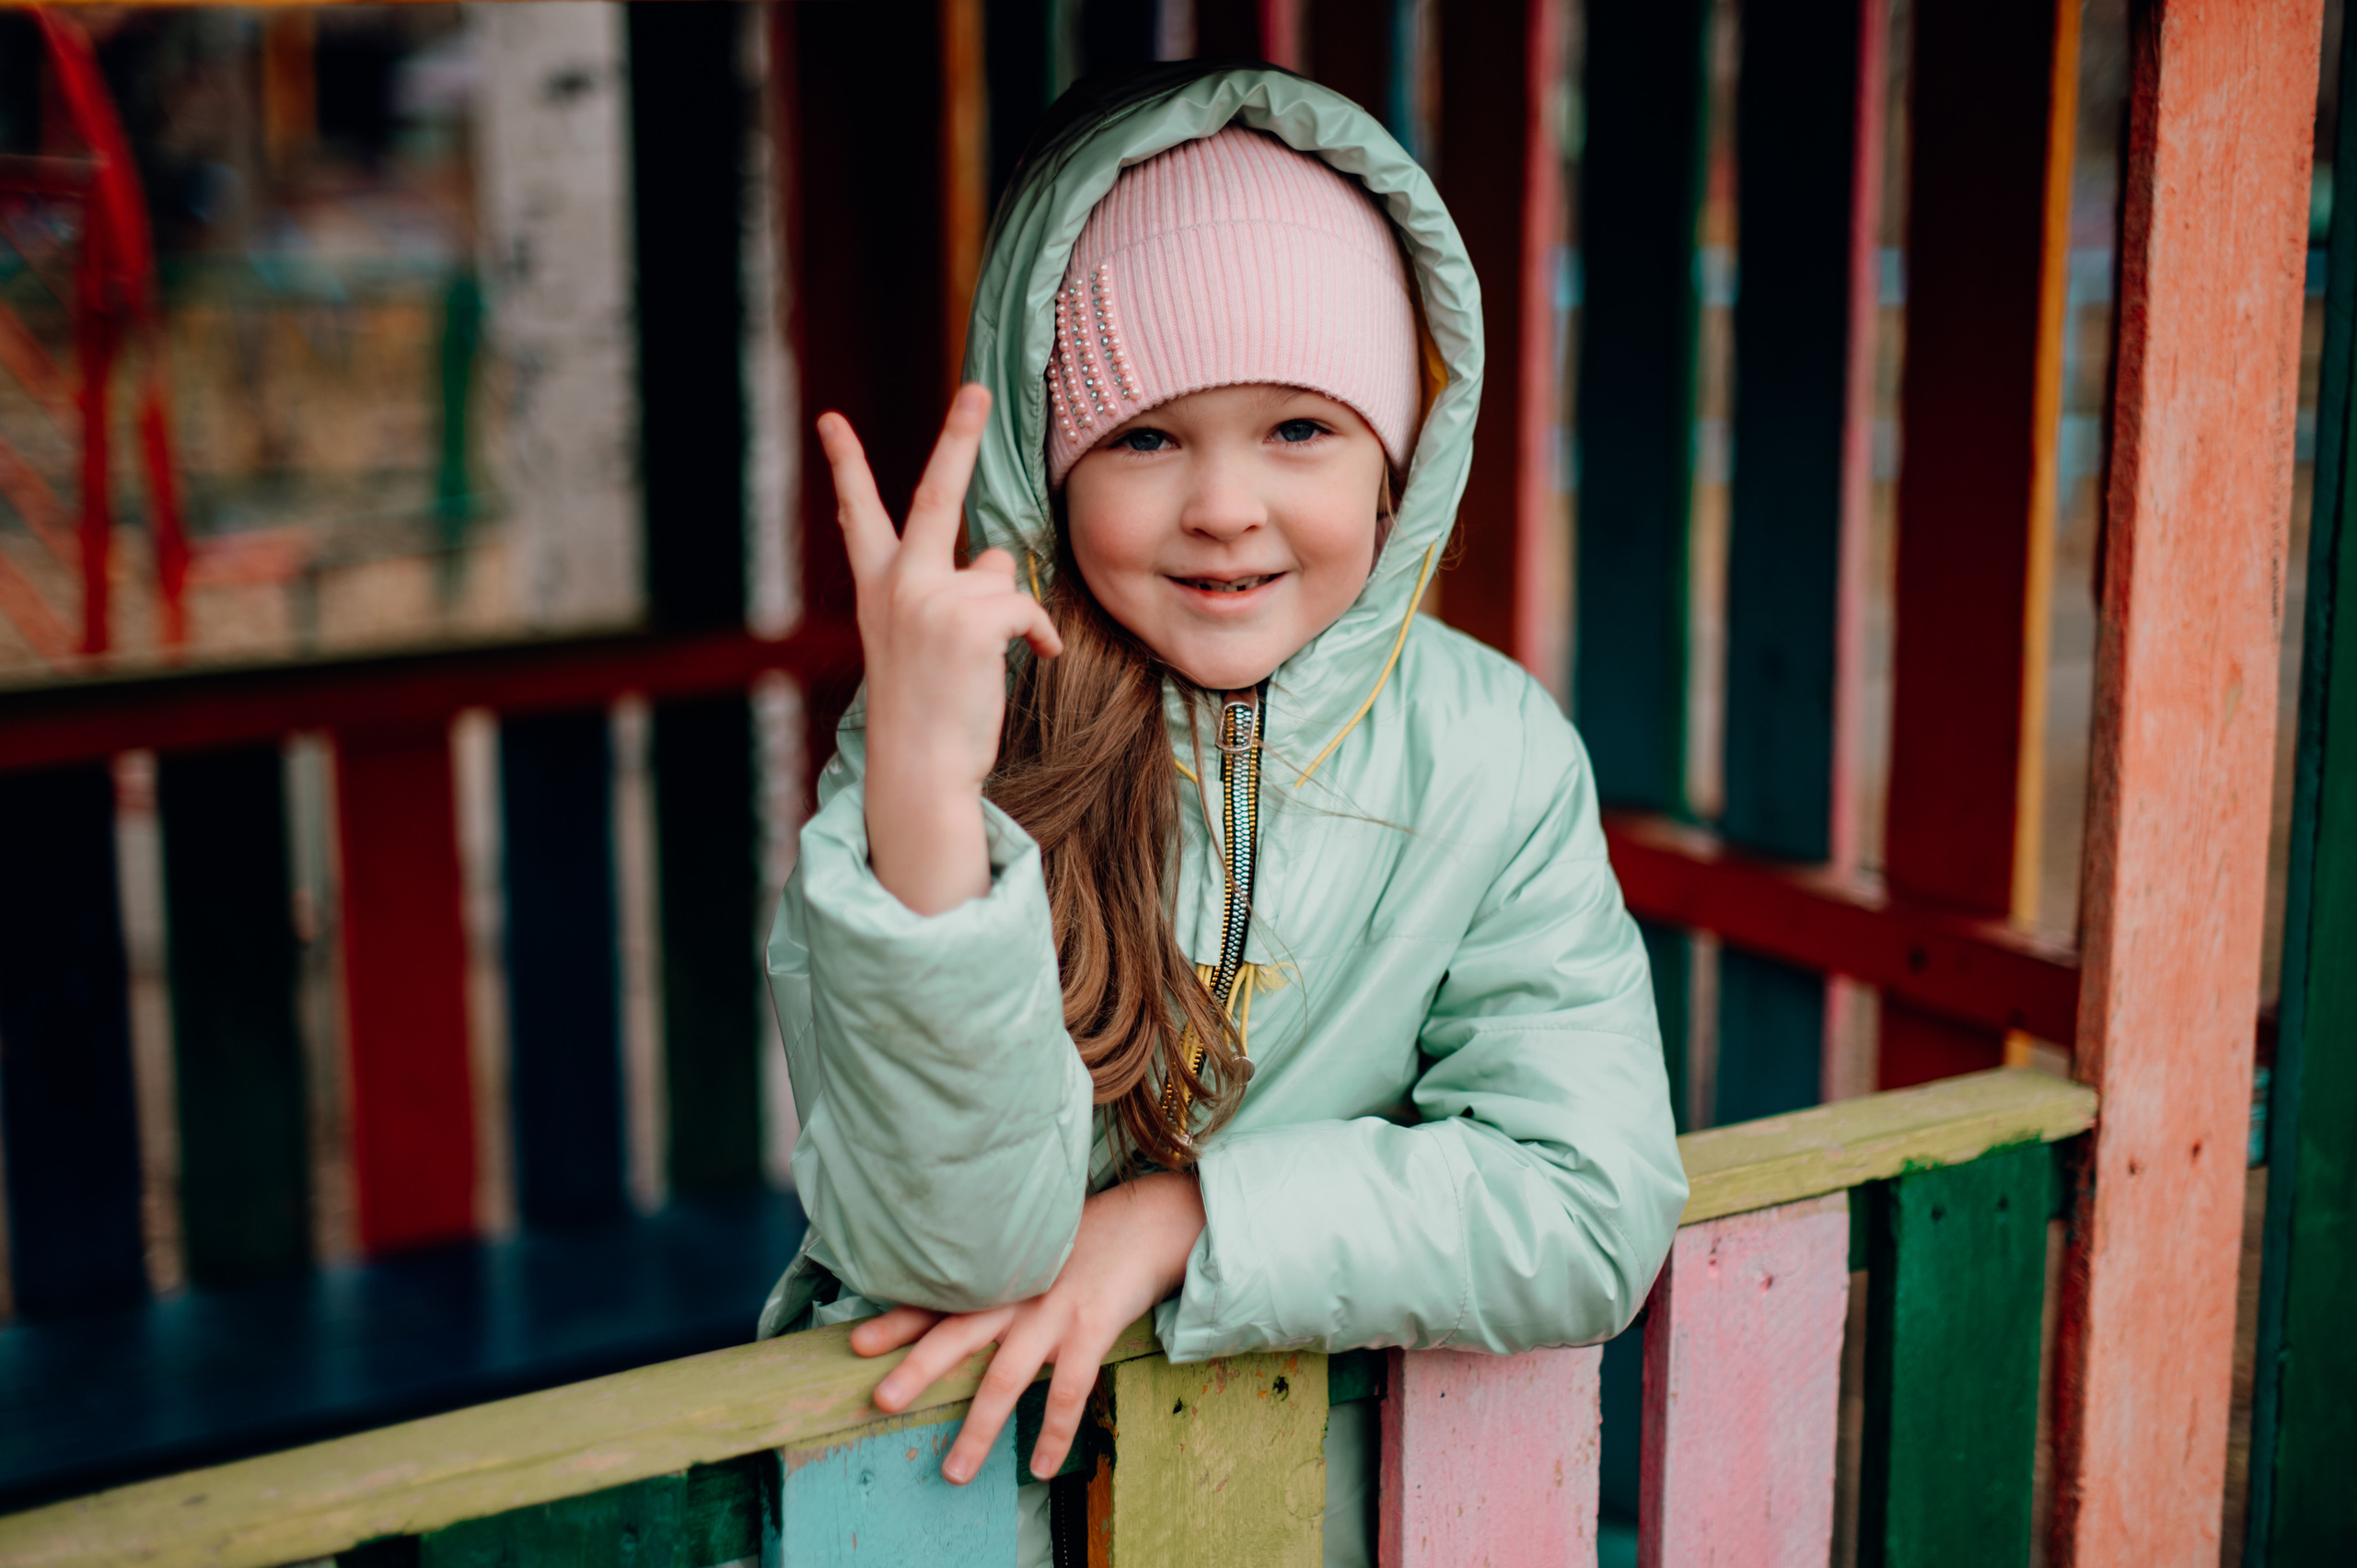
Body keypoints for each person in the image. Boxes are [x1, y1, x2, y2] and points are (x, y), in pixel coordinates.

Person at [756, 62, 1686, 1565]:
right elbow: (948, 1249)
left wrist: (1192, 1222)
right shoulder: (950, 732)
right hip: (949, 1512)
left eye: (1300, 430)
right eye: (1145, 437)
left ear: (1401, 454)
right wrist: (929, 791)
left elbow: (1585, 1207)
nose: (1225, 506)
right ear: (1048, 470)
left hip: (1323, 1516)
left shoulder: (1491, 752)